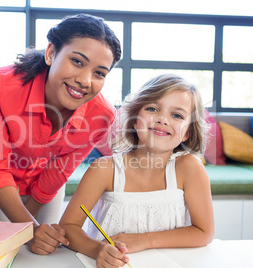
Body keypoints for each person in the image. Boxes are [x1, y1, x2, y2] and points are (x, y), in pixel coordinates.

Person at [0, 13, 121, 255]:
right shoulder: (0, 84)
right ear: (51, 53)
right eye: (78, 62)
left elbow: (61, 167)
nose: (85, 80)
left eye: (99, 73)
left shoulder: (102, 115)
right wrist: (29, 227)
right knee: (9, 251)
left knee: (44, 250)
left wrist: (33, 228)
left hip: (44, 181)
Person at [59, 74, 215, 268]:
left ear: (187, 133)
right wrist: (97, 250)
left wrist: (144, 240)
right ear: (134, 119)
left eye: (177, 115)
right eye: (152, 108)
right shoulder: (105, 169)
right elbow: (68, 227)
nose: (162, 119)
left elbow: (204, 232)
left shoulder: (190, 168)